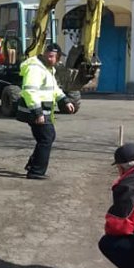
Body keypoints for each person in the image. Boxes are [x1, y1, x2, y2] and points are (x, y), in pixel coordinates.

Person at [16, 42, 76, 179]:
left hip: (43, 110)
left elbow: (54, 88)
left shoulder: (48, 69)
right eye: (49, 56)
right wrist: (38, 112)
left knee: (46, 138)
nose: (51, 59)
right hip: (35, 110)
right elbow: (30, 91)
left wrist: (64, 100)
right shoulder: (35, 69)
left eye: (54, 57)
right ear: (44, 55)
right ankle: (35, 172)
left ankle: (33, 165)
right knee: (46, 138)